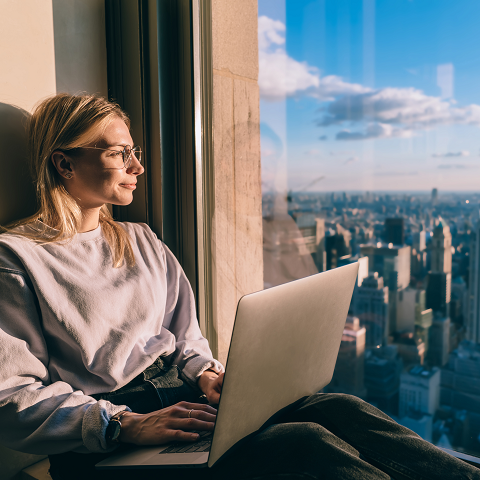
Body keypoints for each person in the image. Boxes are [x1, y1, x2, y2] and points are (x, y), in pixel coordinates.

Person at [0, 94, 478, 480]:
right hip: (112, 432)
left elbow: (185, 338)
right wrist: (123, 424)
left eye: (135, 153)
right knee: (302, 445)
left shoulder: (139, 240)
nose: (137, 168)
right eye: (119, 154)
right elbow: (12, 397)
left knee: (339, 407)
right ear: (64, 164)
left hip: (185, 398)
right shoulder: (16, 258)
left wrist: (207, 372)